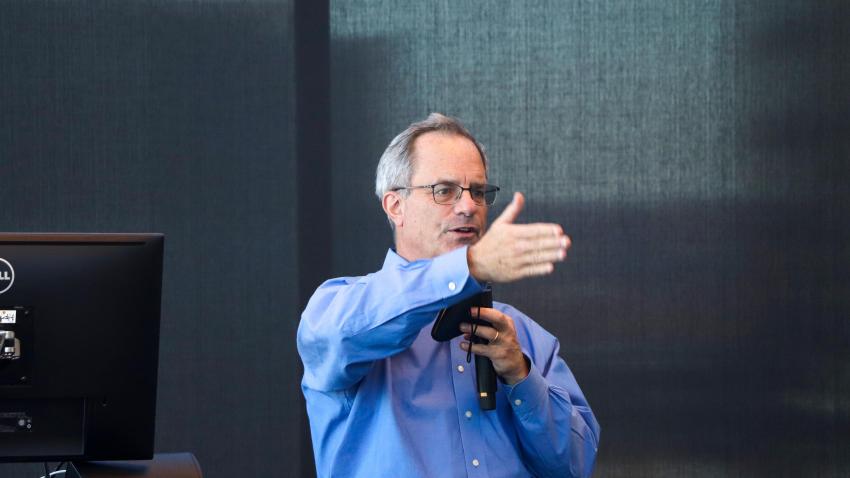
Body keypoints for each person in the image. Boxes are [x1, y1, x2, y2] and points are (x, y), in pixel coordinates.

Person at [297, 113, 600, 477]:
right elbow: (343, 335)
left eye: (477, 191)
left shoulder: (523, 336)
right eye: (444, 191)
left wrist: (520, 375)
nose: (468, 206)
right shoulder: (339, 308)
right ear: (396, 206)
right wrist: (469, 266)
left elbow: (576, 466)